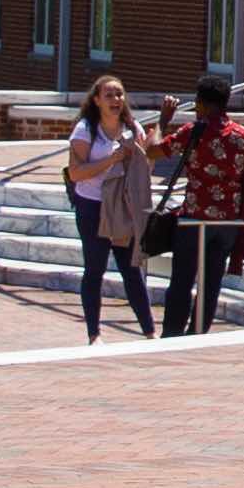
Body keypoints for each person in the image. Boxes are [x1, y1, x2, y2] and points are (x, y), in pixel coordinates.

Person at [162, 80, 244, 327]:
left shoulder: (193, 131)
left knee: (182, 281)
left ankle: (172, 334)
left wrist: (163, 120)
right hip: (227, 222)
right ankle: (199, 332)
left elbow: (154, 150)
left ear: (201, 104)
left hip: (193, 220)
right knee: (211, 284)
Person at [68, 70, 157, 335]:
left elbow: (144, 169)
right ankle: (94, 335)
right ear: (96, 100)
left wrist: (151, 145)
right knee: (94, 269)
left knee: (131, 269)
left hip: (122, 208)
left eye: (119, 94)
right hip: (92, 206)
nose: (116, 99)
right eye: (109, 94)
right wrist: (111, 159)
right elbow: (75, 173)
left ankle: (150, 332)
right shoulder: (85, 130)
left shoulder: (133, 128)